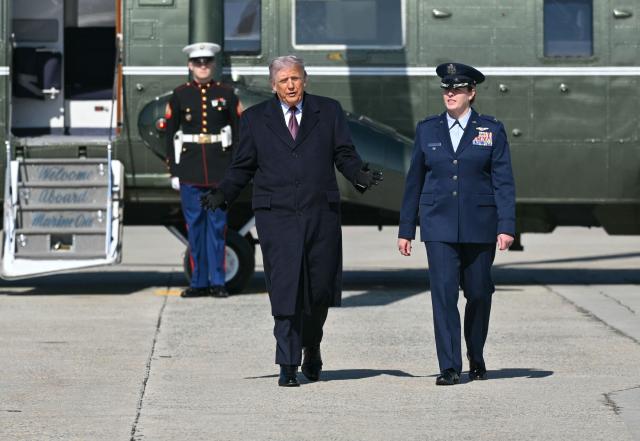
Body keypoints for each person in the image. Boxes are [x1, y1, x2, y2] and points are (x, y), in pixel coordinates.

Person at [200, 55, 382, 386]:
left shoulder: (328, 112)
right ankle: (287, 363)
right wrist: (222, 193)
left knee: (318, 291)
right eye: (283, 80)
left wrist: (360, 175)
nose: (291, 85)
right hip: (277, 216)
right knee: (285, 290)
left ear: (305, 79)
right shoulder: (255, 119)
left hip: (320, 214)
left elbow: (344, 154)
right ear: (273, 85)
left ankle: (312, 346)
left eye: (295, 78)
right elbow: (242, 166)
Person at [397, 63, 516, 385]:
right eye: (446, 89)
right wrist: (406, 229)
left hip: (479, 224)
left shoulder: (490, 129)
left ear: (471, 93)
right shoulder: (427, 130)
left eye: (458, 89)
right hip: (438, 226)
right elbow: (414, 182)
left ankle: (475, 355)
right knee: (444, 295)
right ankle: (449, 366)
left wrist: (506, 226)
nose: (450, 94)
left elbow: (503, 182)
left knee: (479, 293)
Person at [165, 42, 240, 298]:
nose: (203, 66)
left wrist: (236, 170)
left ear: (213, 65)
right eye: (198, 62)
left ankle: (218, 282)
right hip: (190, 170)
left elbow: (239, 133)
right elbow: (170, 135)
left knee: (218, 229)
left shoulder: (227, 94)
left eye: (207, 62)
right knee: (195, 229)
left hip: (220, 170)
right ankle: (198, 283)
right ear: (190, 66)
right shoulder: (180, 95)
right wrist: (174, 171)